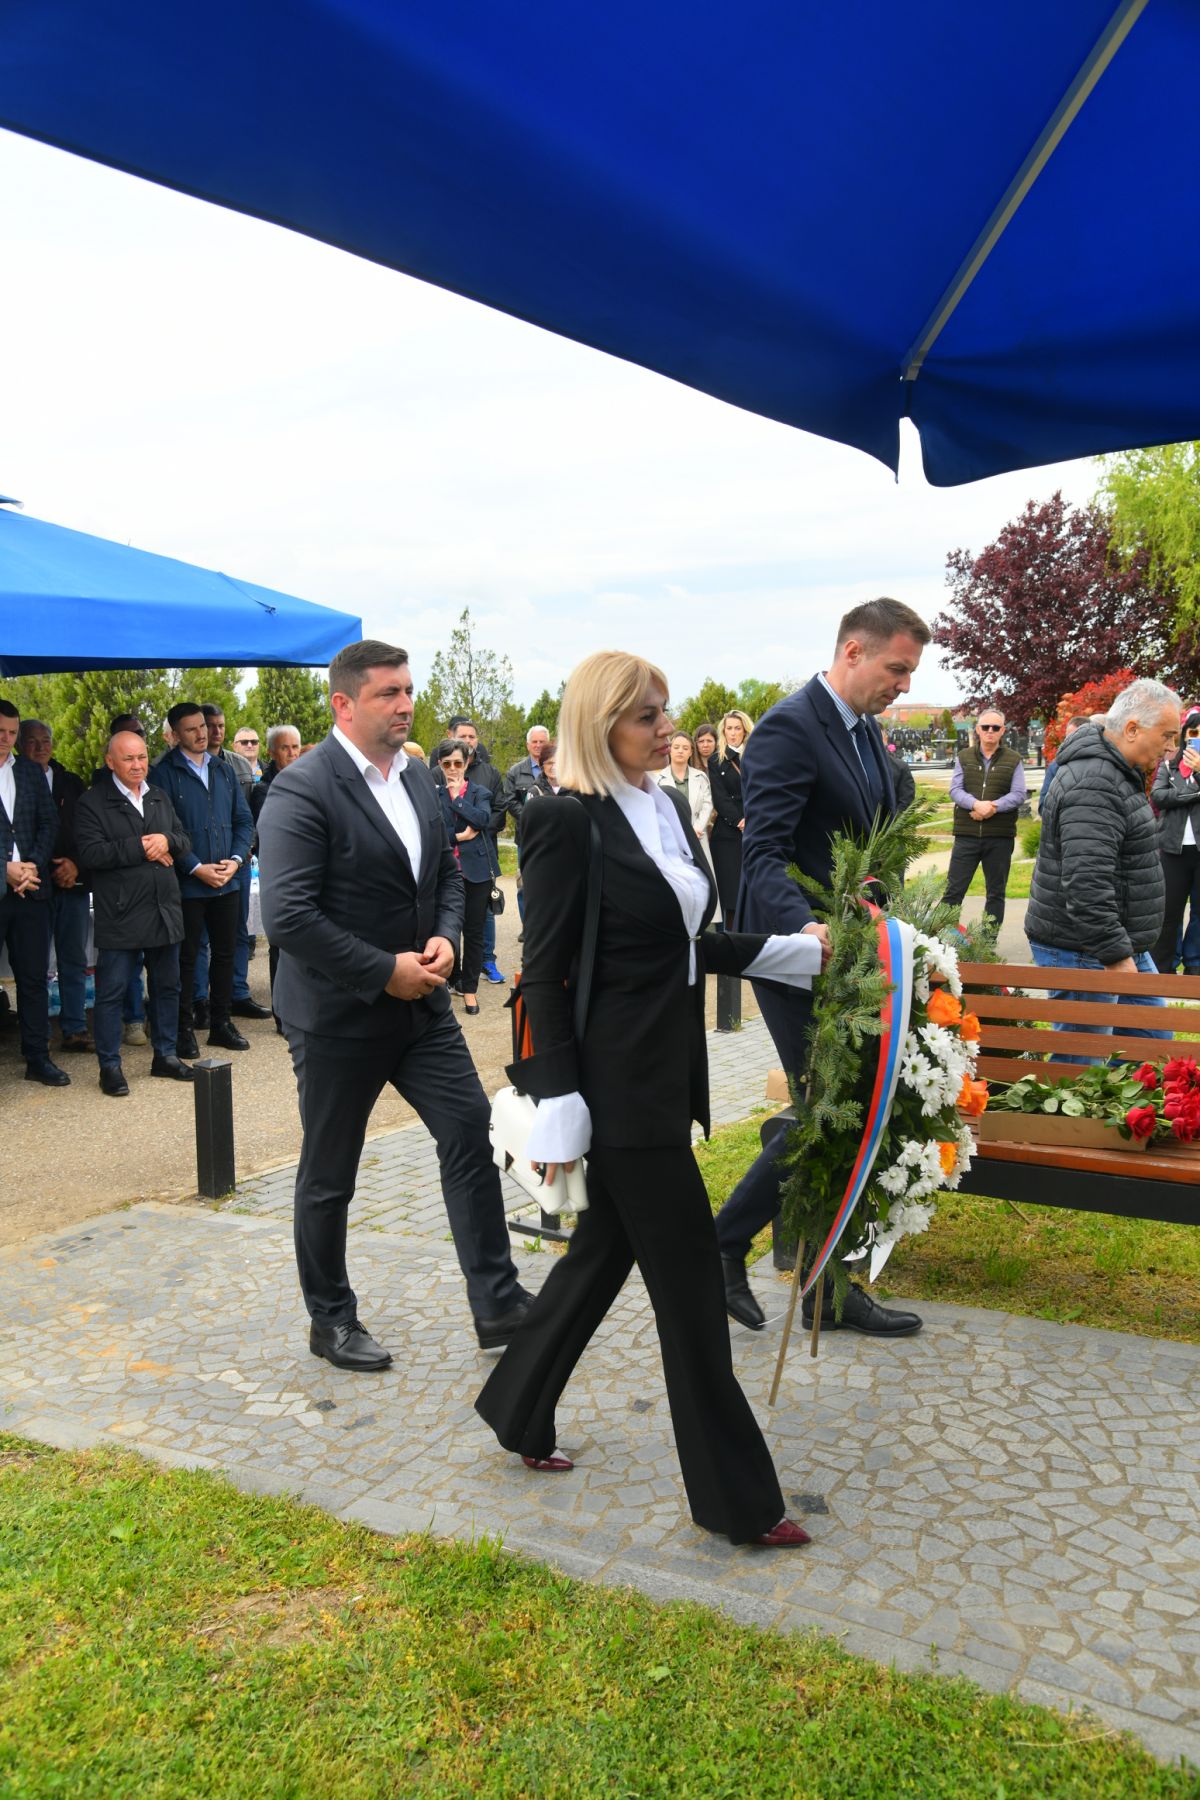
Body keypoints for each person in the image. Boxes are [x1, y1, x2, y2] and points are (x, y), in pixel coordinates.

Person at [475, 651, 820, 1548]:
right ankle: (738, 1502)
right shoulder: (563, 819)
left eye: (666, 711)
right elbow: (543, 971)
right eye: (647, 716)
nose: (668, 729)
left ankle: (516, 1406)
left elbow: (688, 944)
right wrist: (561, 1098)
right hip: (615, 1091)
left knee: (601, 1256)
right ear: (602, 726)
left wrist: (797, 952)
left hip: (668, 1075)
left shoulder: (666, 806)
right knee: (693, 1289)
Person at [257, 639, 530, 1367]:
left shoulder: (414, 777)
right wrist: (383, 971)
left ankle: (498, 1301)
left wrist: (444, 935)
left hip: (422, 1009)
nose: (406, 704)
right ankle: (331, 1320)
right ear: (344, 704)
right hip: (338, 1016)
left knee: (469, 1132)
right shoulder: (302, 789)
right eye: (388, 693)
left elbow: (446, 874)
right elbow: (287, 916)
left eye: (408, 690)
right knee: (330, 1173)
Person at [714, 598, 931, 1337]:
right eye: (896, 668)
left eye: (911, 672)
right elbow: (763, 853)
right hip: (798, 952)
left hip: (856, 952)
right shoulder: (789, 727)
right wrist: (804, 924)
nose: (903, 685)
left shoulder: (866, 732)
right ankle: (728, 1245)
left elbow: (873, 839)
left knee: (845, 1109)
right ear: (852, 651)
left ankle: (823, 1287)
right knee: (827, 1110)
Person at [1026, 680, 1179, 1060]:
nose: (1171, 748)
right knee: (1081, 1067)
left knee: (1153, 1048)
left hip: (1116, 943)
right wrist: (1115, 956)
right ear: (1132, 729)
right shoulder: (1095, 781)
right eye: (1167, 736)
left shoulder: (1116, 771)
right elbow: (1086, 882)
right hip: (1086, 947)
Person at [74, 732, 195, 1094]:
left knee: (167, 987)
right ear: (110, 762)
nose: (138, 765)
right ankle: (110, 1066)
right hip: (121, 912)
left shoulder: (158, 795)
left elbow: (183, 839)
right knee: (112, 992)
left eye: (142, 757)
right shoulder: (92, 803)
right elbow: (91, 854)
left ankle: (166, 1055)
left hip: (163, 909)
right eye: (128, 759)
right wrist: (143, 847)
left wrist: (167, 841)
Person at [148, 702, 255, 1057]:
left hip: (227, 880)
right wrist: (195, 868)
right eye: (191, 728)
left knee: (226, 954)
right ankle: (184, 1031)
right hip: (188, 885)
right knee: (186, 959)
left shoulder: (223, 770)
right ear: (175, 734)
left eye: (203, 726)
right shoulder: (163, 773)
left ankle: (221, 1024)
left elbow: (243, 821)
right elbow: (163, 828)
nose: (201, 733)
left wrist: (235, 861)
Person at [0, 698, 68, 1086]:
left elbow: (49, 823)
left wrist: (30, 867)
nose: (6, 739)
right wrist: (4, 870)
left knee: (33, 978)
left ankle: (37, 1057)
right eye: (0, 732)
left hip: (32, 892)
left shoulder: (28, 771)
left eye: (12, 732)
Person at [16, 719, 90, 1052]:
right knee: (34, 966)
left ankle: (75, 1028)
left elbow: (88, 830)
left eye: (45, 740)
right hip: (31, 886)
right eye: (31, 741)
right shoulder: (13, 780)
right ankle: (38, 1034)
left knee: (73, 959)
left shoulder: (70, 782)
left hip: (72, 884)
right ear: (19, 745)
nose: (39, 747)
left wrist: (75, 864)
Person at [202, 704, 271, 1023]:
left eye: (220, 725)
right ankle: (200, 999)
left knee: (238, 931)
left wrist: (243, 852)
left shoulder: (240, 766)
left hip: (238, 861)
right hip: (201, 864)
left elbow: (249, 816)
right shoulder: (176, 767)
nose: (215, 731)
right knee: (201, 938)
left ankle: (238, 993)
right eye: (209, 725)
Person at [941, 708, 1026, 929]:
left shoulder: (1014, 760)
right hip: (967, 835)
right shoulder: (964, 757)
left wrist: (993, 807)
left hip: (999, 837)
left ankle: (988, 941)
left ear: (1003, 731)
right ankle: (942, 938)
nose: (990, 731)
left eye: (995, 728)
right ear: (977, 729)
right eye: (985, 727)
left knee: (996, 893)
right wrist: (975, 804)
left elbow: (1018, 794)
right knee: (953, 891)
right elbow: (955, 789)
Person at [432, 737, 494, 1017]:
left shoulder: (480, 792)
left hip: (477, 872)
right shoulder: (433, 795)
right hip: (445, 872)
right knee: (447, 929)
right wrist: (460, 836)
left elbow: (483, 821)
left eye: (458, 763)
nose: (453, 769)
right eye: (447, 764)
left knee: (474, 931)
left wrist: (458, 799)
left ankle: (469, 988)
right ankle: (450, 979)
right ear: (439, 765)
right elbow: (433, 833)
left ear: (467, 763)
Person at [250, 725, 303, 1026]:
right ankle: (282, 1013)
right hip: (280, 875)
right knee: (281, 946)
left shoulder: (308, 779)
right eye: (285, 748)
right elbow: (269, 833)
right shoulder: (263, 789)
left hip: (308, 873)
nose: (292, 753)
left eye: (296, 747)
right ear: (271, 752)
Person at [449, 719, 506, 984]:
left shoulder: (490, 773)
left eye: (472, 736)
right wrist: (457, 836)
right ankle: (453, 973)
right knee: (450, 916)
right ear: (451, 737)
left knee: (484, 915)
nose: (468, 740)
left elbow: (499, 812)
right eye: (463, 736)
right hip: (450, 854)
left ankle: (487, 961)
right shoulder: (438, 771)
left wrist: (477, 829)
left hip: (481, 853)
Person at [1150, 705, 1200, 975]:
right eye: (1193, 732)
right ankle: (1164, 965)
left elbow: (1171, 797)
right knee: (1169, 911)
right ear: (1184, 734)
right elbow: (1158, 797)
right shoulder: (1169, 763)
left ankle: (1195, 964)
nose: (1197, 737)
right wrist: (1195, 792)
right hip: (1172, 848)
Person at [707, 710, 754, 925]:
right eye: (729, 728)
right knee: (732, 896)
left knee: (756, 890)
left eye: (737, 728)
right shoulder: (716, 760)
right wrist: (740, 821)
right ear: (723, 731)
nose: (733, 733)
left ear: (745, 730)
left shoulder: (757, 755)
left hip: (757, 827)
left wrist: (755, 819)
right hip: (729, 834)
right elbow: (720, 797)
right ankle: (732, 938)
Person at [655, 729, 713, 869]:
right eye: (676, 747)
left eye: (685, 748)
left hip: (698, 835)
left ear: (691, 752)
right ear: (670, 750)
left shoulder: (701, 777)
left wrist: (696, 828)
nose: (680, 751)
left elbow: (707, 804)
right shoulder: (658, 780)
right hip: (671, 838)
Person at [1039, 714, 1090, 810]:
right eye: (1067, 737)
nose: (1069, 741)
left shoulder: (1104, 765)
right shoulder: (1055, 766)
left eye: (1074, 737)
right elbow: (1043, 805)